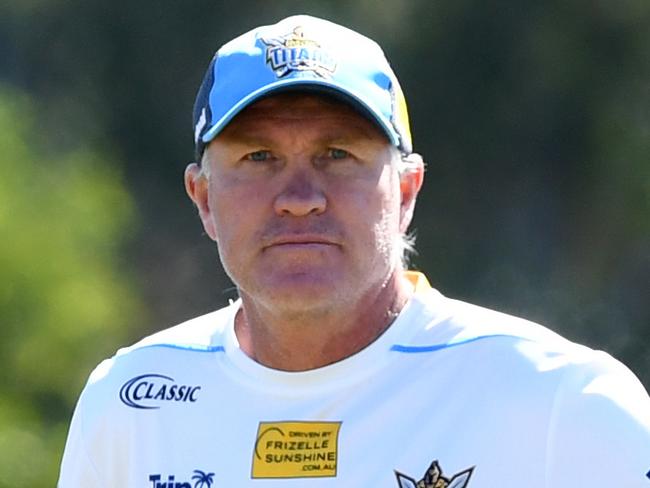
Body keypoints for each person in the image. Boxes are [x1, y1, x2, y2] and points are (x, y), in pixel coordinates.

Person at [58, 15, 650, 488]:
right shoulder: (130, 403)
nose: (298, 198)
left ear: (406, 193)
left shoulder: (564, 402)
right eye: (258, 158)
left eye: (338, 154)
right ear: (204, 199)